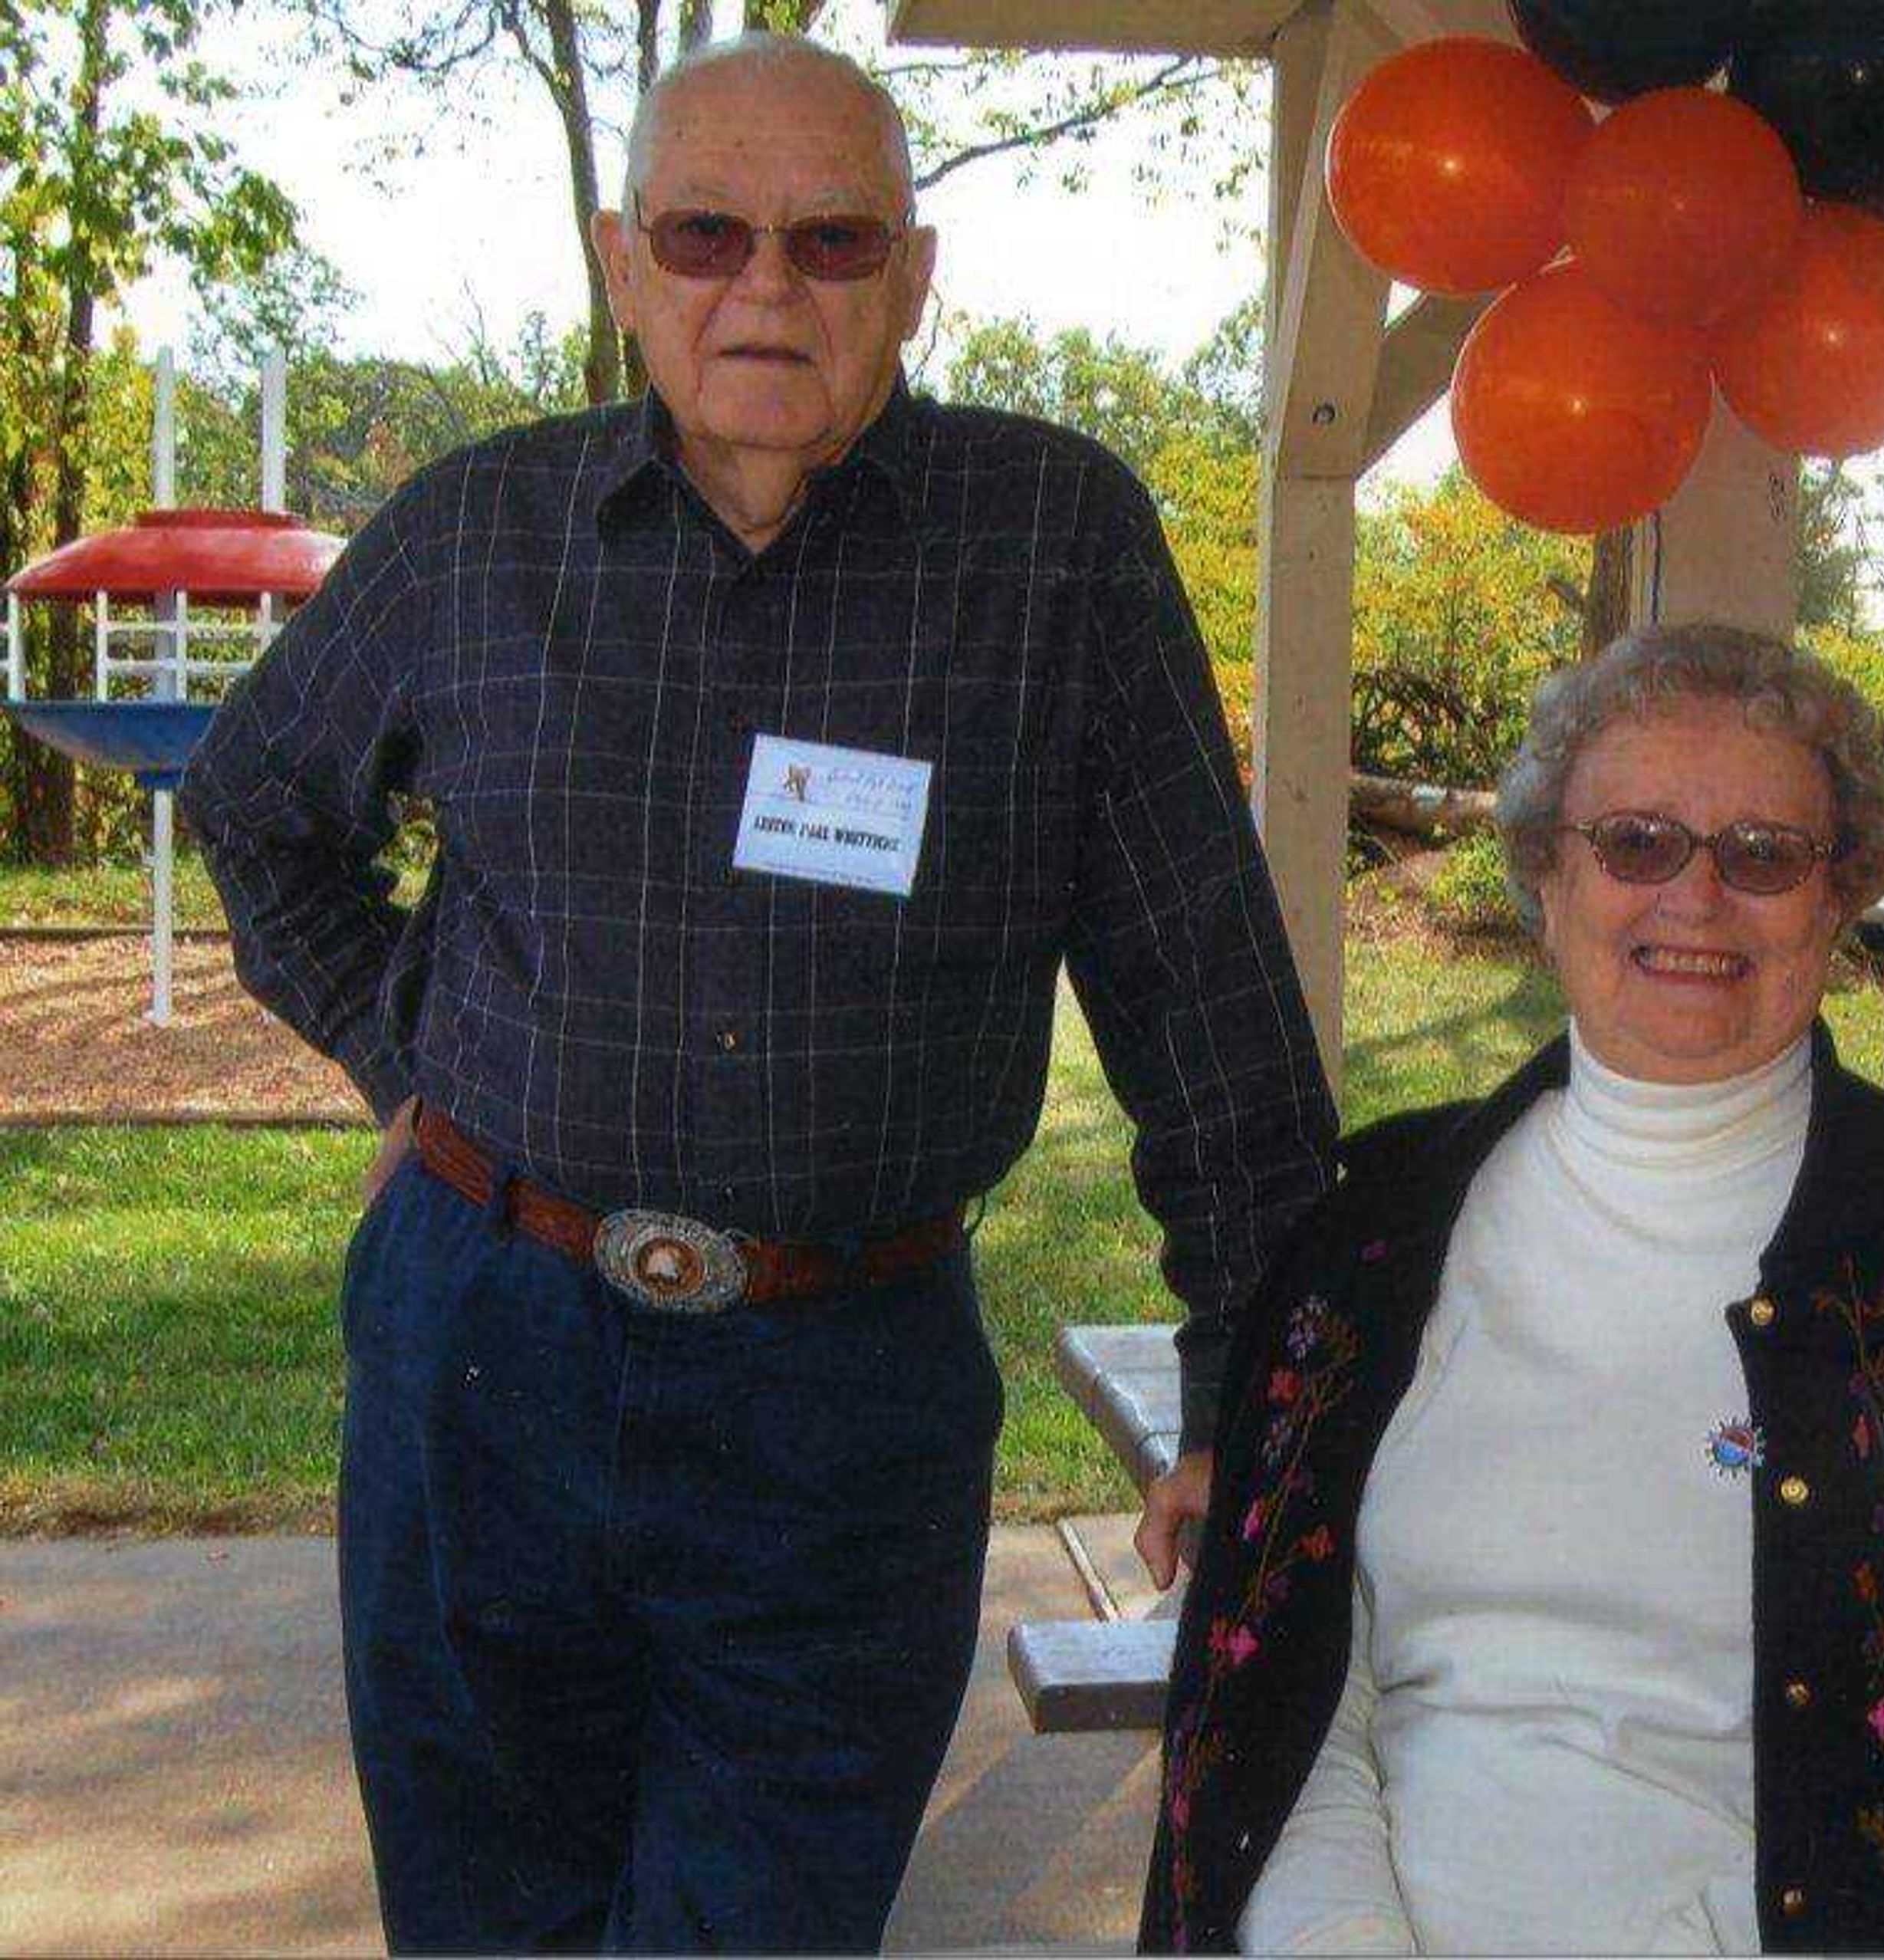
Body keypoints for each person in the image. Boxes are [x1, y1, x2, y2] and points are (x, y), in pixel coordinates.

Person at [179, 34, 1335, 1952]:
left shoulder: (1053, 548)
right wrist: (417, 1057)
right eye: (706, 234)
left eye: (833, 237)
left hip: (844, 1394)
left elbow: (1203, 999)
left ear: (917, 274)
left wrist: (1246, 1393)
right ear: (626, 265)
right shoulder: (480, 535)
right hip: (487, 1349)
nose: (767, 288)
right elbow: (255, 812)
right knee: (484, 1919)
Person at [1141, 624, 1884, 1955]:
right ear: (1547, 880)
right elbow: (1282, 1697)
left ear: (1836, 903)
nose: (1696, 897)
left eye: (1764, 856)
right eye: (1636, 842)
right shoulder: (1374, 1237)